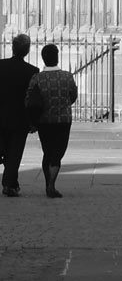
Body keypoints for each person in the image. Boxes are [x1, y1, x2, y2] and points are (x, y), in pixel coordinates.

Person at [25, 44, 77, 198]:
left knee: (47, 151)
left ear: (43, 58)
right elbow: (73, 95)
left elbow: (29, 100)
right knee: (58, 153)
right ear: (57, 57)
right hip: (63, 120)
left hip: (44, 120)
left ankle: (49, 183)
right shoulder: (67, 77)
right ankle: (51, 185)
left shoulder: (37, 78)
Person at [0, 34, 39, 197]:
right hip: (20, 117)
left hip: (1, 115)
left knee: (5, 150)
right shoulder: (32, 71)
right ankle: (9, 184)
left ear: (12, 48)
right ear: (27, 50)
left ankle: (11, 183)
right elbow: (33, 98)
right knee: (15, 152)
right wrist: (34, 120)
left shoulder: (1, 66)